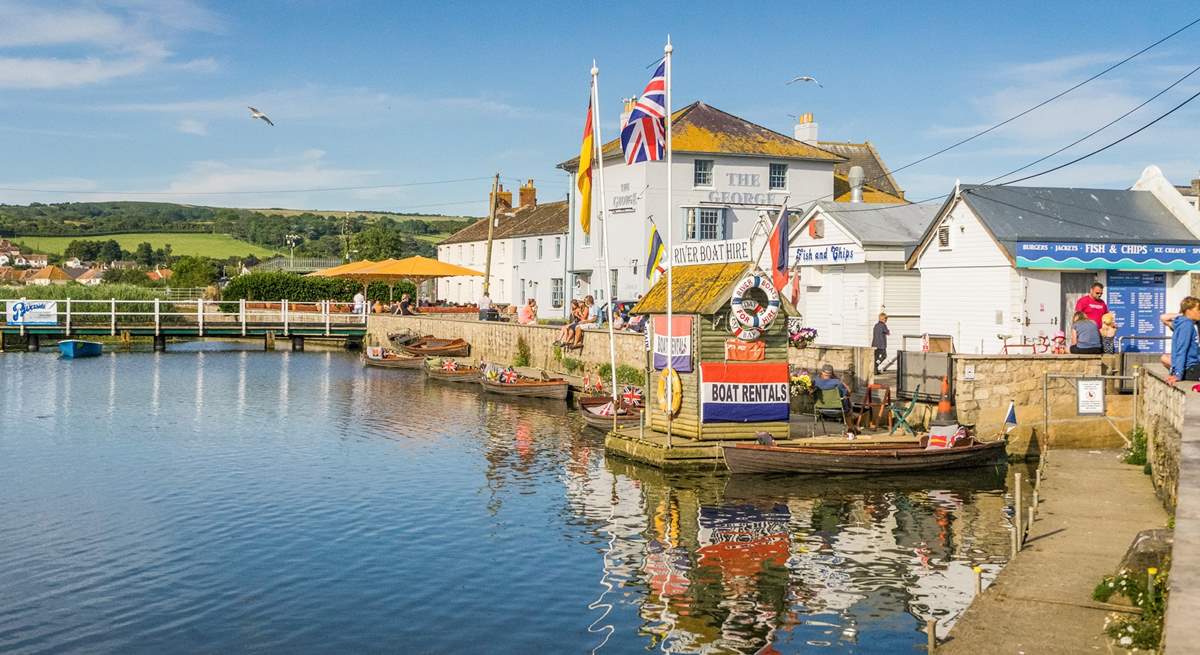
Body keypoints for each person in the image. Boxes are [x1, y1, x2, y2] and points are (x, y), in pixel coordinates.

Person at [1167, 296, 1200, 384]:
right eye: (1198, 309)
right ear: (1188, 311)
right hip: (1191, 369)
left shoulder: (1182, 323)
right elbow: (1181, 350)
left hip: (1191, 368)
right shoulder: (1187, 325)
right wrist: (1178, 374)